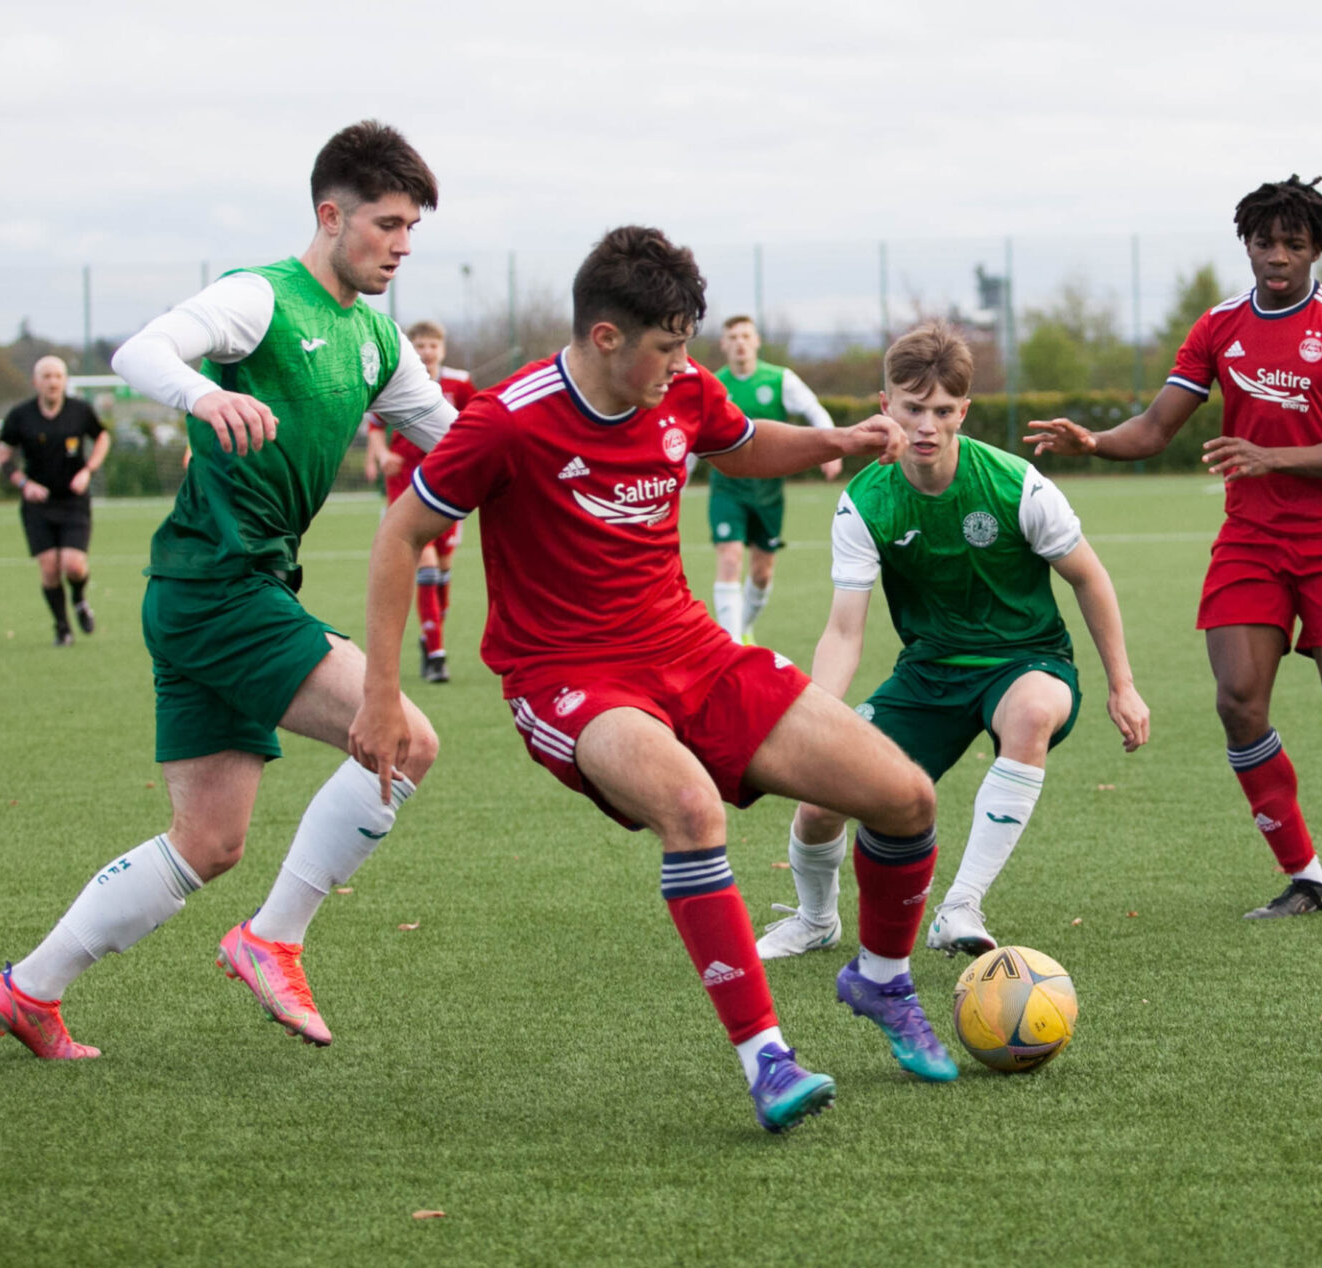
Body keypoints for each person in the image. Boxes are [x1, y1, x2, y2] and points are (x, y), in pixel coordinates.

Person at [352, 226, 956, 1134]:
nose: (684, 364)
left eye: (688, 346)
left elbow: (742, 444)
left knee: (905, 797)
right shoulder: (508, 421)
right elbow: (399, 535)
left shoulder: (685, 393)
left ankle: (880, 982)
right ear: (605, 338)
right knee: (690, 810)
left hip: (693, 652)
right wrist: (381, 694)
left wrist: (838, 437)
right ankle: (768, 1062)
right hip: (567, 679)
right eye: (668, 347)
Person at [0, 121, 459, 1061]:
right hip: (218, 591)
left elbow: (462, 445)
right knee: (407, 739)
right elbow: (140, 352)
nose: (402, 246)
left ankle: (29, 989)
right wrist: (202, 395)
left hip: (213, 591)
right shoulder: (261, 299)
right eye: (389, 224)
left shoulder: (377, 340)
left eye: (412, 230)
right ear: (332, 215)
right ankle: (270, 939)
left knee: (208, 841)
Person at [1028, 175, 1322, 919]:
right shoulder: (1219, 326)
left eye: (1292, 242)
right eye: (1263, 241)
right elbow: (1156, 428)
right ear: (1246, 245)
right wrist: (1093, 441)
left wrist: (1271, 458)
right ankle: (1308, 877)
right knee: (1238, 703)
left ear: (1317, 247)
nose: (1276, 254)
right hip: (1249, 543)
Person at [758, 322, 1150, 963]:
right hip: (928, 672)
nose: (926, 425)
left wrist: (1123, 685)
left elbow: (1089, 577)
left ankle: (961, 904)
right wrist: (817, 712)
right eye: (913, 408)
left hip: (1028, 660)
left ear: (963, 411)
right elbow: (843, 629)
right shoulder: (865, 503)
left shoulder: (1014, 484)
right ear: (886, 406)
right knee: (819, 799)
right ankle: (816, 918)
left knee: (1029, 713)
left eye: (943, 411)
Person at [708, 315, 843, 642]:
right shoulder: (712, 386)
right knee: (729, 558)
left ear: (756, 341)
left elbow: (814, 411)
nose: (740, 342)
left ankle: (743, 628)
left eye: (745, 335)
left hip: (768, 490)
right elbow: (690, 432)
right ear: (724, 344)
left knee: (762, 572)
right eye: (733, 336)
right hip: (727, 487)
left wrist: (832, 448)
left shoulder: (781, 379)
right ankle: (732, 648)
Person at [365, 319, 477, 681]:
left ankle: (430, 635)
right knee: (425, 564)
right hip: (406, 485)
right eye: (419, 346)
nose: (426, 352)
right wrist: (381, 456)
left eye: (432, 346)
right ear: (411, 350)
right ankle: (437, 655)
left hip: (448, 484)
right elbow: (376, 429)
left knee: (443, 570)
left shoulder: (459, 384)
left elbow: (478, 425)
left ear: (442, 350)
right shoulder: (398, 380)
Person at [0, 356, 111, 646]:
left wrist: (88, 470)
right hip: (38, 504)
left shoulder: (80, 412)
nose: (53, 382)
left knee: (73, 566)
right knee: (49, 567)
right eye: (46, 376)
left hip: (73, 501)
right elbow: (2, 455)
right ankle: (62, 628)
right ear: (36, 382)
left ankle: (80, 600)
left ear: (65, 381)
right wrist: (24, 484)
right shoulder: (21, 416)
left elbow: (102, 438)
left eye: (58, 376)